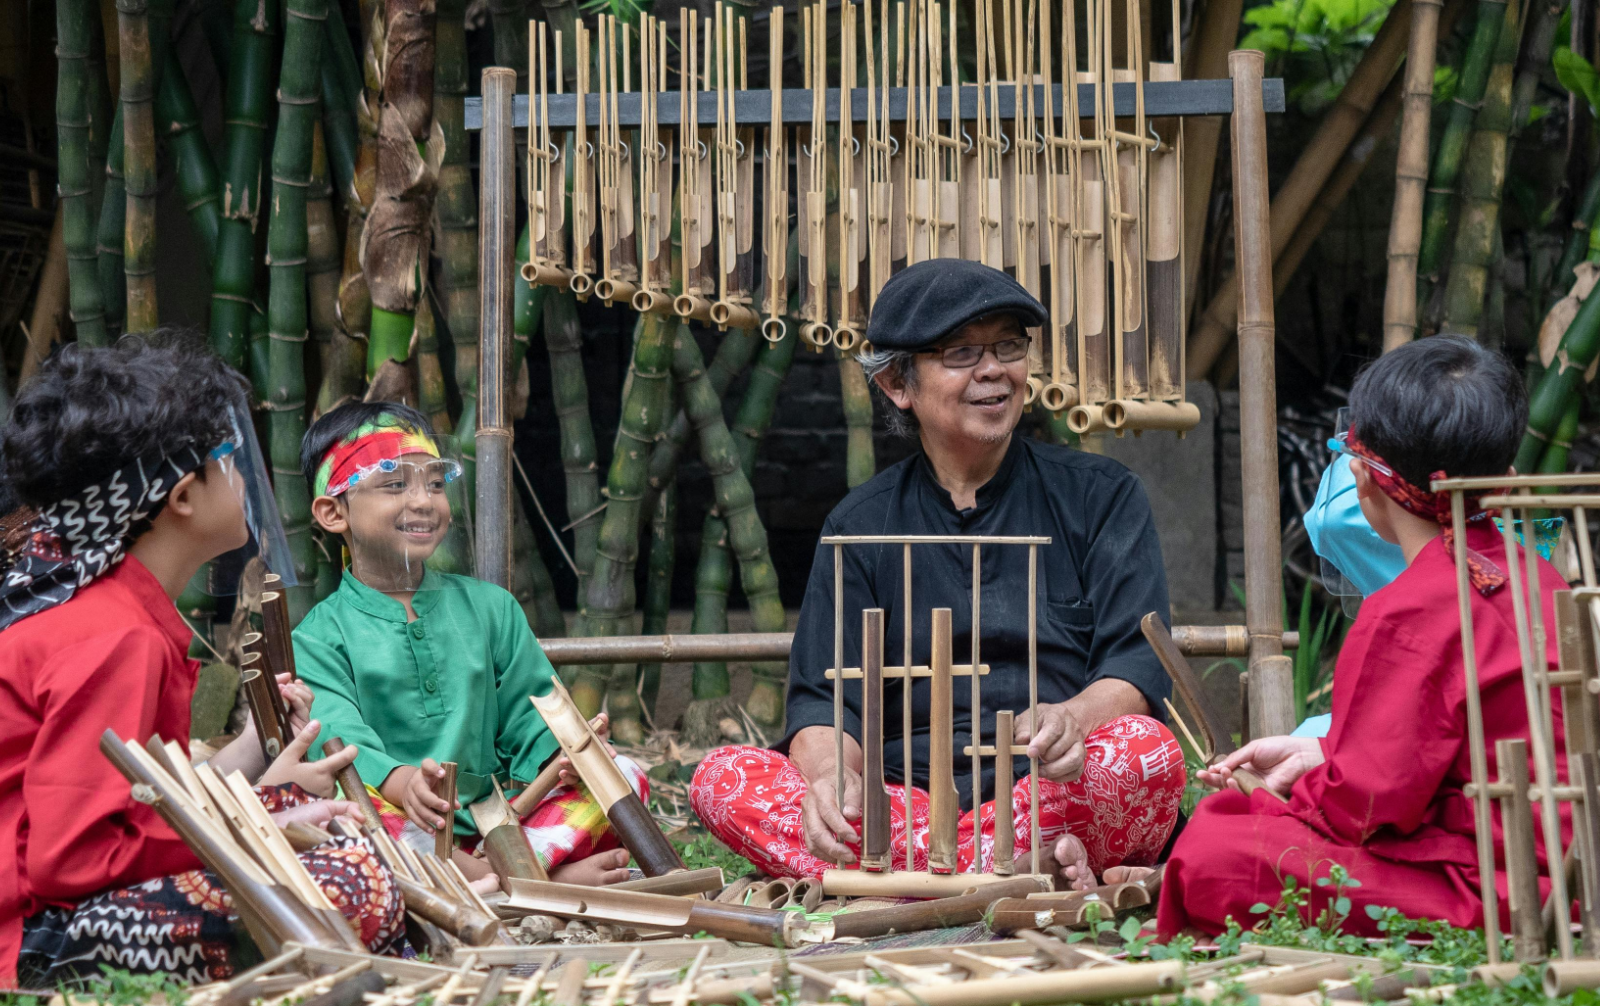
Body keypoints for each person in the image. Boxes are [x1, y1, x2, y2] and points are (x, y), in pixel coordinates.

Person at [690, 259, 1185, 884]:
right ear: (899, 383)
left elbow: (1136, 665)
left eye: (1008, 346)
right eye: (961, 352)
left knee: (1144, 753)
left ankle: (908, 882)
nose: (993, 370)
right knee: (723, 779)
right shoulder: (858, 526)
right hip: (905, 805)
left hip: (1052, 792)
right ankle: (1012, 871)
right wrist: (830, 780)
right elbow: (824, 700)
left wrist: (1075, 718)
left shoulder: (1101, 496)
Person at [0, 333, 401, 988]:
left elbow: (139, 799)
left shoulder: (114, 617)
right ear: (182, 496)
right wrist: (253, 826)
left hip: (53, 913)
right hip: (38, 939)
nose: (244, 476)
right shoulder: (111, 637)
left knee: (300, 812)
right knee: (356, 881)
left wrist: (254, 759)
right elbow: (76, 856)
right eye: (229, 458)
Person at [1157, 335, 1570, 939]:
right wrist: (1318, 754)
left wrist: (1298, 793)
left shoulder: (1408, 609)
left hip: (1503, 882)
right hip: (1564, 854)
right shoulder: (1538, 571)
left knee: (1218, 843)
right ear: (1504, 481)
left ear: (1362, 479)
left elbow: (1369, 806)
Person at [295, 402, 643, 886]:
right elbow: (339, 745)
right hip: (404, 826)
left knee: (621, 774)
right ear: (334, 512)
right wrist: (403, 784)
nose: (423, 501)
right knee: (343, 812)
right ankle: (537, 885)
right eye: (396, 484)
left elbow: (534, 712)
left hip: (503, 827)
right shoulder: (317, 636)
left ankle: (492, 883)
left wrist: (563, 756)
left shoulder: (492, 608)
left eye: (435, 483)